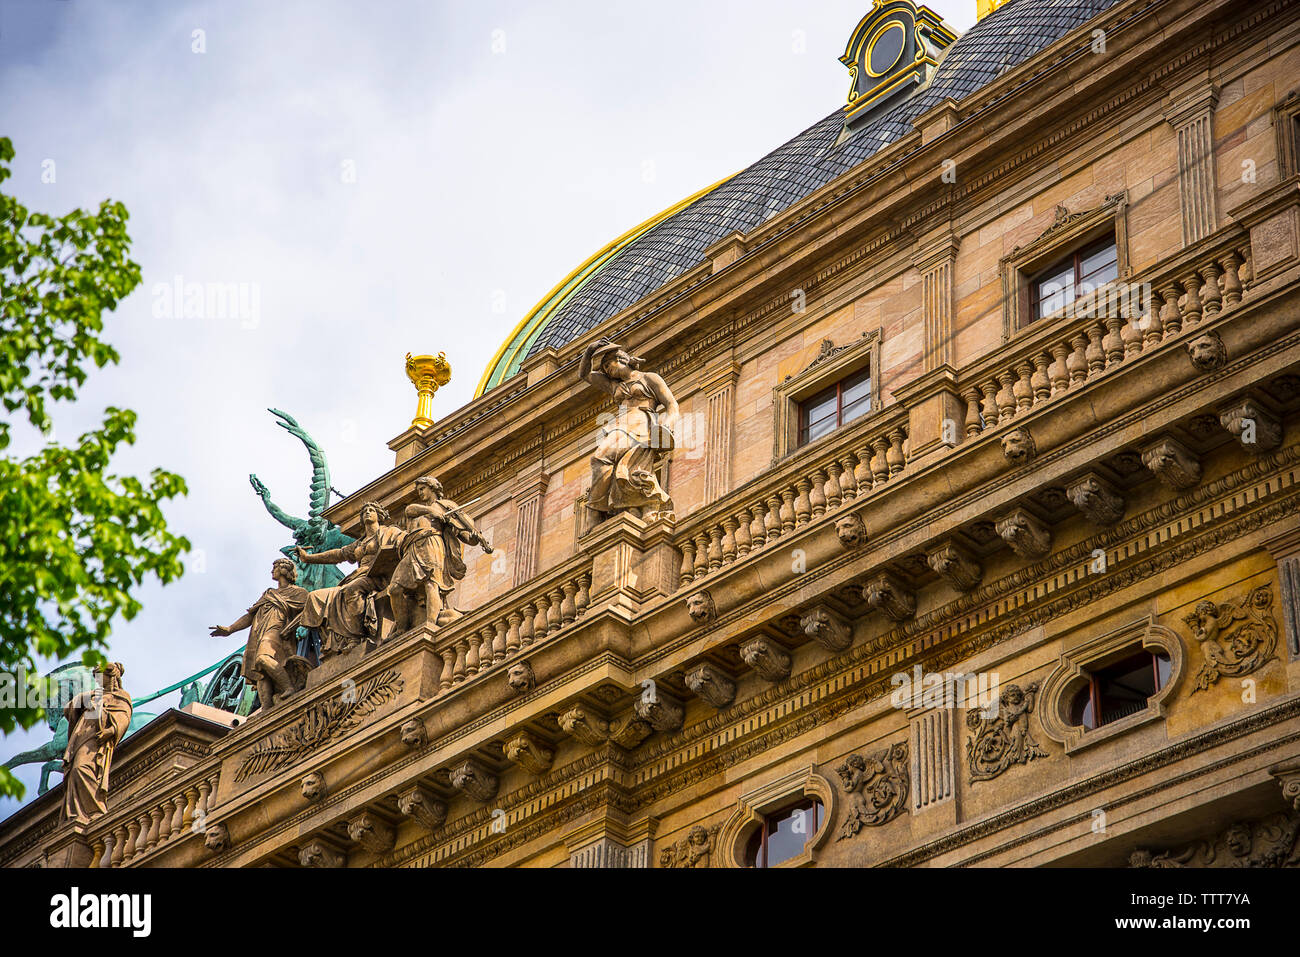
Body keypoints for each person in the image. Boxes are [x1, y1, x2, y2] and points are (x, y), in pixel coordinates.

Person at [579, 338, 679, 520]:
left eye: (608, 366)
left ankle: (598, 514)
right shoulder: (613, 386)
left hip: (641, 423)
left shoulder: (649, 378)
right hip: (620, 425)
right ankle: (599, 509)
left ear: (621, 359)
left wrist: (668, 425)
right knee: (600, 459)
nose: (607, 372)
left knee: (628, 468)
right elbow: (585, 374)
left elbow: (671, 404)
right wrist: (590, 349)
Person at [297, 502, 403, 658]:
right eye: (364, 511)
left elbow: (403, 545)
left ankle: (356, 636)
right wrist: (308, 558)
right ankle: (331, 645)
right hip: (359, 577)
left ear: (379, 515)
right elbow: (337, 555)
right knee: (315, 597)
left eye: (371, 510)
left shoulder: (389, 532)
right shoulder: (360, 542)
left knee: (351, 590)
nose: (367, 512)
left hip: (379, 576)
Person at [387, 477, 492, 633]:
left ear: (433, 488)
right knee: (394, 588)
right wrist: (431, 511)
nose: (420, 492)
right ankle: (401, 628)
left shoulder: (447, 507)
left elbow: (464, 535)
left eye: (423, 488)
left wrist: (476, 537)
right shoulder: (421, 509)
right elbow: (410, 510)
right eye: (419, 490)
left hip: (432, 543)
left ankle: (430, 625)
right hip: (412, 548)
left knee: (431, 584)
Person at [209, 558, 310, 712]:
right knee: (260, 672)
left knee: (263, 659)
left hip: (277, 631)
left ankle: (288, 686)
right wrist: (230, 629)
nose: (272, 571)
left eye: (274, 567)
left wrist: (291, 628)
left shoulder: (299, 593)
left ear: (284, 570)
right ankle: (266, 708)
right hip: (258, 632)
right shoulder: (269, 593)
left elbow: (308, 610)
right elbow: (250, 616)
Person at [61, 663, 133, 826]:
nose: (98, 680)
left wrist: (112, 730)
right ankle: (77, 814)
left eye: (101, 676)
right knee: (74, 772)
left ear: (111, 677)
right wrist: (82, 701)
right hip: (82, 734)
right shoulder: (93, 694)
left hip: (97, 737)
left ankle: (93, 810)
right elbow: (69, 709)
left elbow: (124, 715)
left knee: (82, 769)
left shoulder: (121, 696)